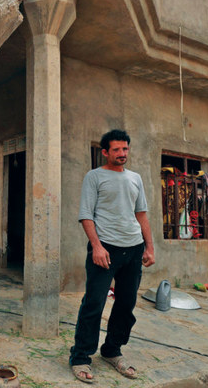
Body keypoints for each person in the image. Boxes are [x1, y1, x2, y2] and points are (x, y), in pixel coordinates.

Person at [69, 129, 155, 384]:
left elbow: (141, 215)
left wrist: (149, 247)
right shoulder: (94, 176)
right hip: (105, 248)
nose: (122, 154)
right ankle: (81, 356)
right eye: (116, 150)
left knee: (126, 304)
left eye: (125, 149)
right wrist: (96, 246)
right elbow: (86, 215)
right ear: (105, 152)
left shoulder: (135, 178)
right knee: (94, 303)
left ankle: (112, 351)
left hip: (134, 248)